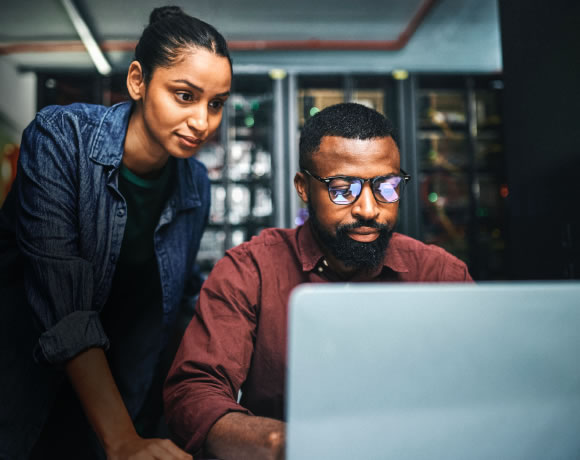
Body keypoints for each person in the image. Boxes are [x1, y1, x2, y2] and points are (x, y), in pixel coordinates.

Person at [163, 102, 474, 459]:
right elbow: (193, 392)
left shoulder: (441, 277)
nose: (369, 209)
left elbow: (488, 395)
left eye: (386, 187)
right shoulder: (251, 271)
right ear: (303, 188)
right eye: (343, 189)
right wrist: (282, 445)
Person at [0, 6, 231, 460]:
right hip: (23, 398)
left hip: (126, 404)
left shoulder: (194, 184)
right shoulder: (60, 138)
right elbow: (65, 306)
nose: (203, 122)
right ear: (138, 81)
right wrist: (121, 440)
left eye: (216, 103)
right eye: (185, 96)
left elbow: (178, 303)